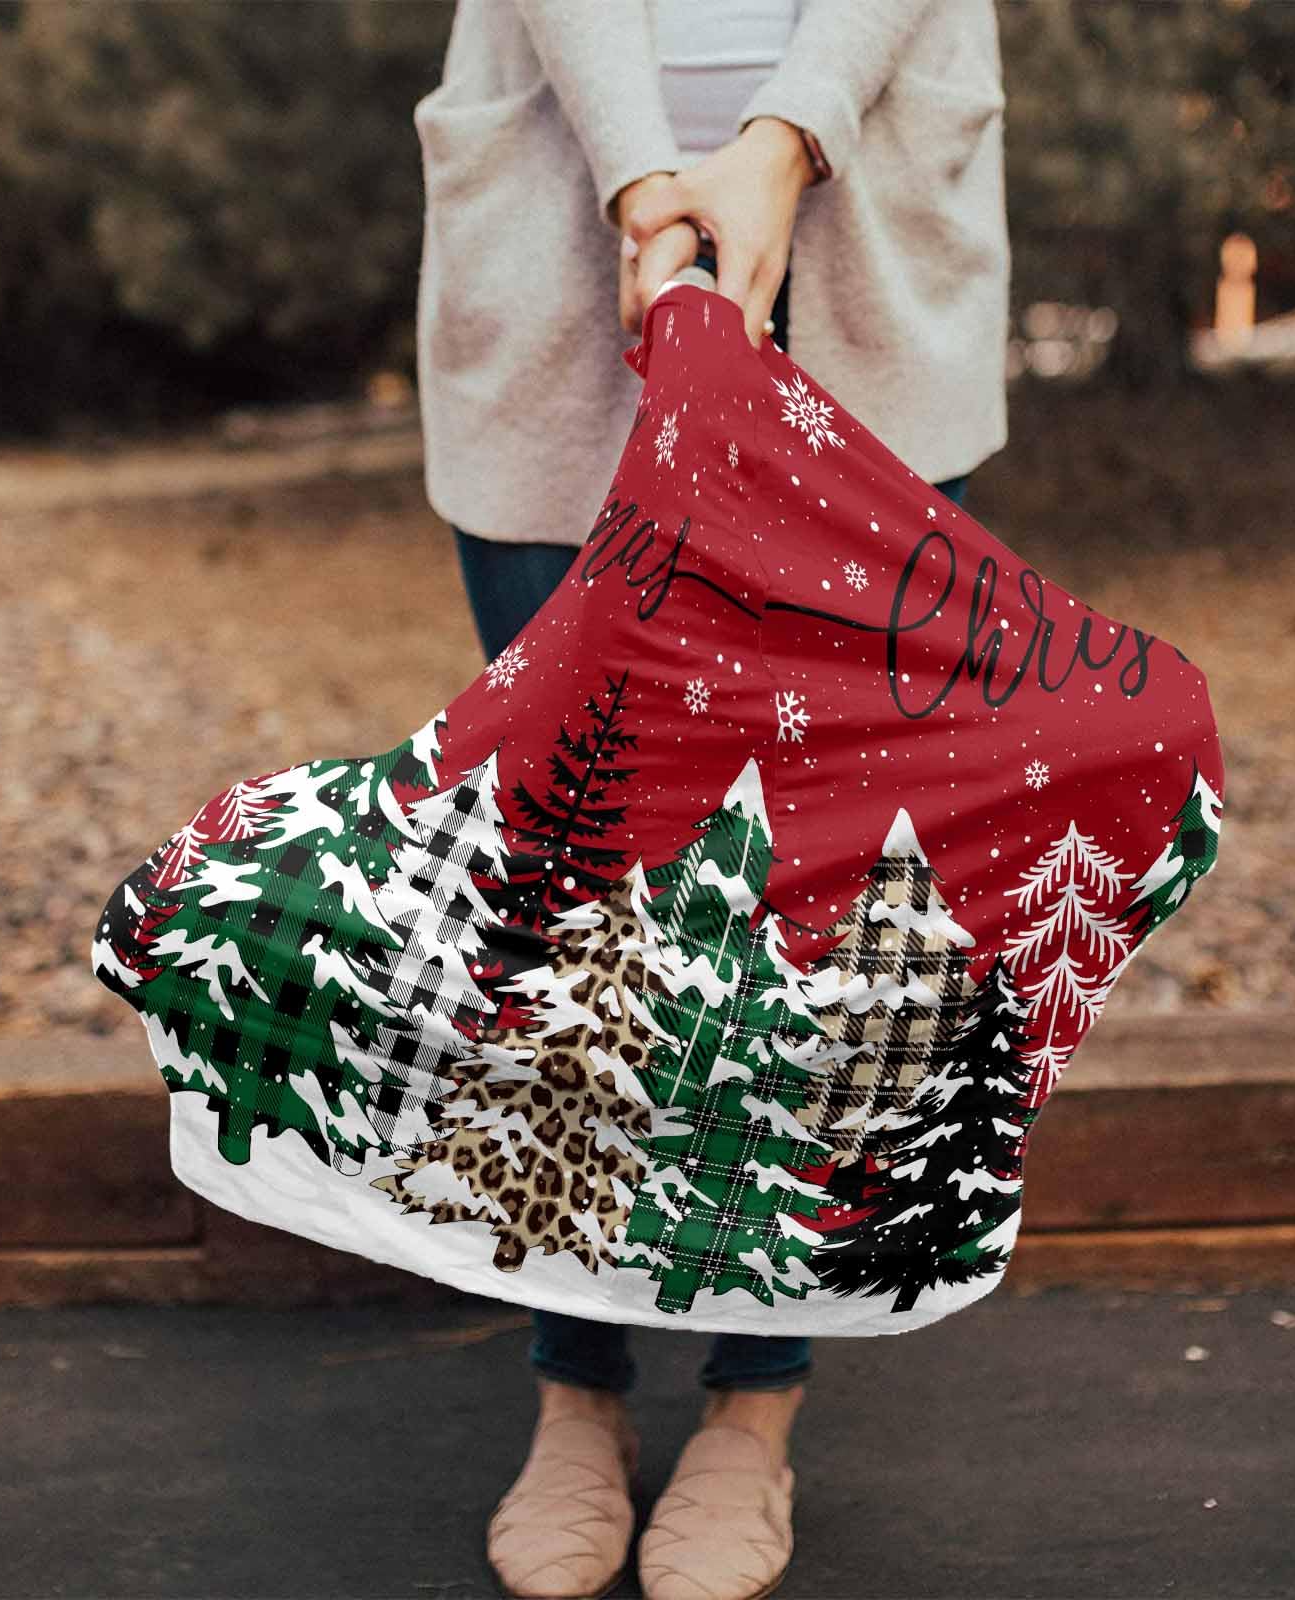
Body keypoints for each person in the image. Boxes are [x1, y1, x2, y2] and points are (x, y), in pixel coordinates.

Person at [412, 4, 1010, 1596]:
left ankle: (756, 1404)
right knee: (571, 869)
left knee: (812, 889)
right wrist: (640, 177)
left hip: (864, 224)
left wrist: (784, 135)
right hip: (563, 218)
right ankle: (576, 1388)